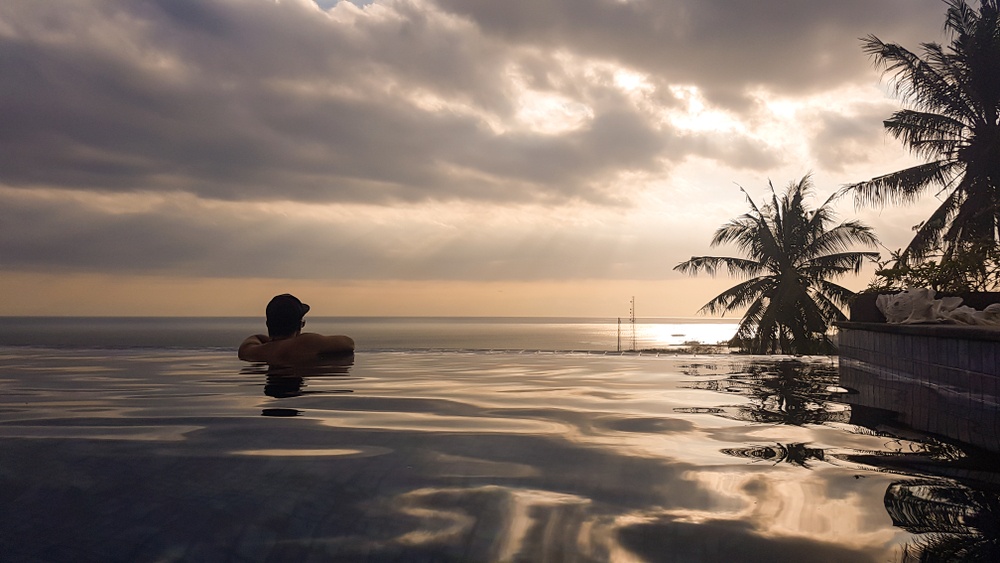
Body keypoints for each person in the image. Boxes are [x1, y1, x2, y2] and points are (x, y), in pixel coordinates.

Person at [238, 294, 354, 364]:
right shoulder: (307, 343)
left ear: (268, 324)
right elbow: (348, 343)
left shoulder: (251, 352)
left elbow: (255, 338)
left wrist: (273, 343)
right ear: (299, 325)